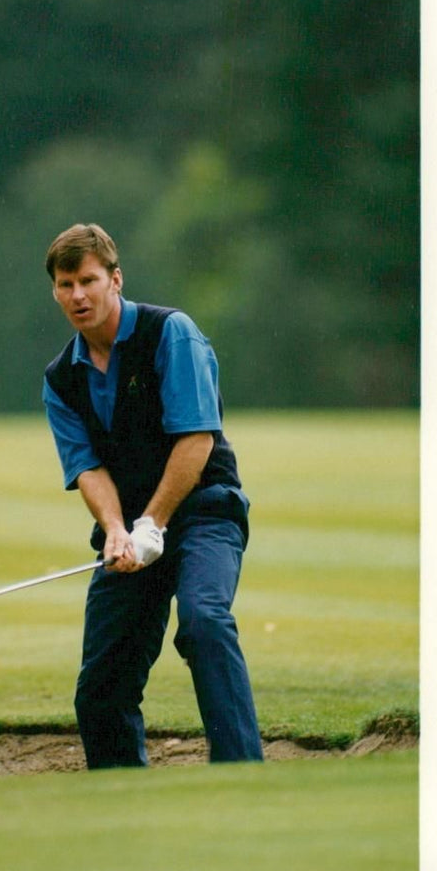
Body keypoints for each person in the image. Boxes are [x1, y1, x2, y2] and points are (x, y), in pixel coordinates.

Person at [42, 222, 263, 769]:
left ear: (115, 280)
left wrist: (153, 524)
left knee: (204, 620)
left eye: (88, 280)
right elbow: (88, 468)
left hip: (205, 510)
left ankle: (242, 775)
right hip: (130, 531)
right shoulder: (60, 378)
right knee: (102, 685)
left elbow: (195, 439)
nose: (78, 295)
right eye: (65, 284)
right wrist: (118, 531)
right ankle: (121, 801)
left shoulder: (171, 333)